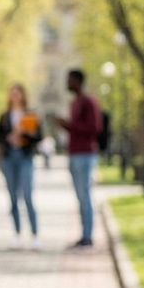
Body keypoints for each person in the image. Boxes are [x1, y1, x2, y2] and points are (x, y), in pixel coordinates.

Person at [56, 69, 102, 248]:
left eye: (70, 80)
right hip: (74, 154)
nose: (67, 83)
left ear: (78, 81)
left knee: (85, 195)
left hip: (85, 154)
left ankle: (88, 235)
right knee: (80, 196)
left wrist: (68, 125)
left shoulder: (89, 102)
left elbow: (94, 128)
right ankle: (84, 233)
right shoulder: (74, 103)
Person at [0, 83, 42, 249]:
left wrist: (24, 134)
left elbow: (38, 137)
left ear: (23, 95)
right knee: (13, 197)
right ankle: (17, 234)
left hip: (25, 157)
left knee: (28, 197)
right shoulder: (5, 116)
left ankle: (35, 235)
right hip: (9, 159)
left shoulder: (30, 114)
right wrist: (8, 138)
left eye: (17, 93)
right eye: (12, 93)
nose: (15, 96)